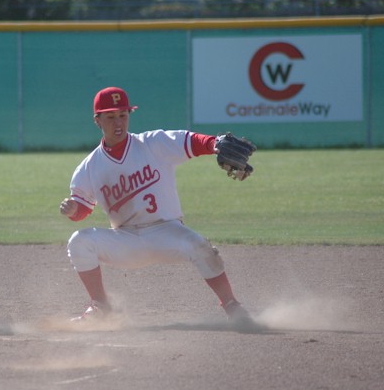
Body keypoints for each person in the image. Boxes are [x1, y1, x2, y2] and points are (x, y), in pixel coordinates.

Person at [59, 86, 253, 323]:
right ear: (97, 120)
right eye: (110, 117)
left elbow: (190, 141)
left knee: (200, 246)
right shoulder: (89, 166)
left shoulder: (152, 143)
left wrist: (214, 144)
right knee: (79, 241)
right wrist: (73, 210)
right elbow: (82, 209)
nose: (118, 122)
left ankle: (232, 306)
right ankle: (101, 307)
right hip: (126, 240)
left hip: (167, 231)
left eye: (123, 115)